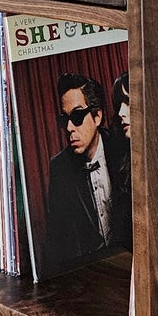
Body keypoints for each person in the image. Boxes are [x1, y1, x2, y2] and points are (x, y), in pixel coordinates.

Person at [43, 72, 130, 276]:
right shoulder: (60, 168)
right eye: (65, 119)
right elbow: (56, 241)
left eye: (77, 116)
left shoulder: (123, 146)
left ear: (97, 116)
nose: (70, 128)